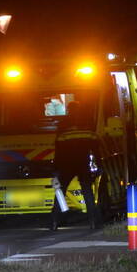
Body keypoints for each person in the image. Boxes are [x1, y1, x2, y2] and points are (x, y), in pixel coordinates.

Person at [53, 99, 102, 230]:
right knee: (87, 192)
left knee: (60, 192)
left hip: (66, 164)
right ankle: (93, 222)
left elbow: (58, 148)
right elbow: (96, 148)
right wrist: (99, 165)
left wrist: (56, 168)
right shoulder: (87, 124)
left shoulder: (63, 124)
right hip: (83, 163)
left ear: (69, 110)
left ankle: (54, 222)